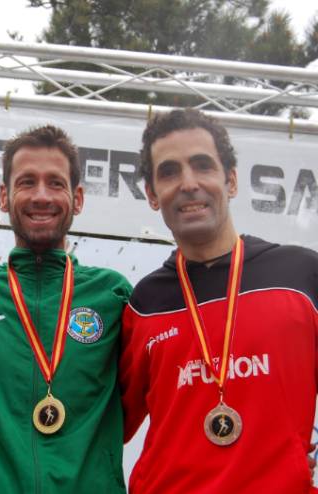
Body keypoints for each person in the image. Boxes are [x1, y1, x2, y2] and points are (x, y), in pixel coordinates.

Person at [120, 108, 318, 493]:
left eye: (202, 165)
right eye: (169, 172)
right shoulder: (144, 303)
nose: (188, 183)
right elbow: (103, 425)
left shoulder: (301, 277)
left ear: (231, 181)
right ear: (152, 195)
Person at [0, 125, 131, 493]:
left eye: (56, 183)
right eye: (27, 182)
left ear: (78, 198)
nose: (41, 196)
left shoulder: (113, 296)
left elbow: (136, 402)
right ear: (4, 197)